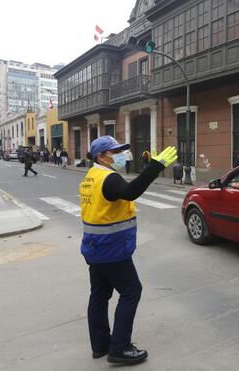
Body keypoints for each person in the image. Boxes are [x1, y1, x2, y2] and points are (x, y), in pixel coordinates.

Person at [80, 136, 177, 364]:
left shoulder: (91, 176)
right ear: (102, 157)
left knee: (99, 295)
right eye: (117, 151)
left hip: (94, 247)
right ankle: (119, 348)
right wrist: (156, 167)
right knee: (132, 291)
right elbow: (131, 191)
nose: (122, 155)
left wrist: (147, 166)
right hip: (111, 249)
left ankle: (100, 345)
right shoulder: (108, 177)